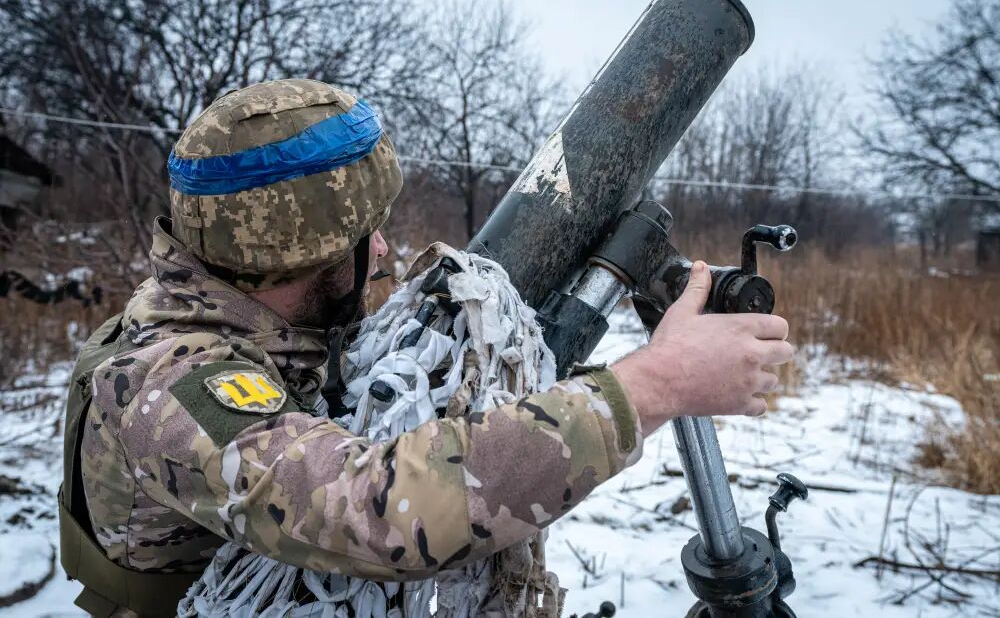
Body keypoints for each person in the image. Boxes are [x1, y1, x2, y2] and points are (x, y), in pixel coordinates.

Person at [58, 79, 794, 617]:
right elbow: (370, 510)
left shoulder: (269, 317)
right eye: (361, 235)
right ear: (290, 255)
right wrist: (656, 384)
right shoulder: (166, 383)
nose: (382, 250)